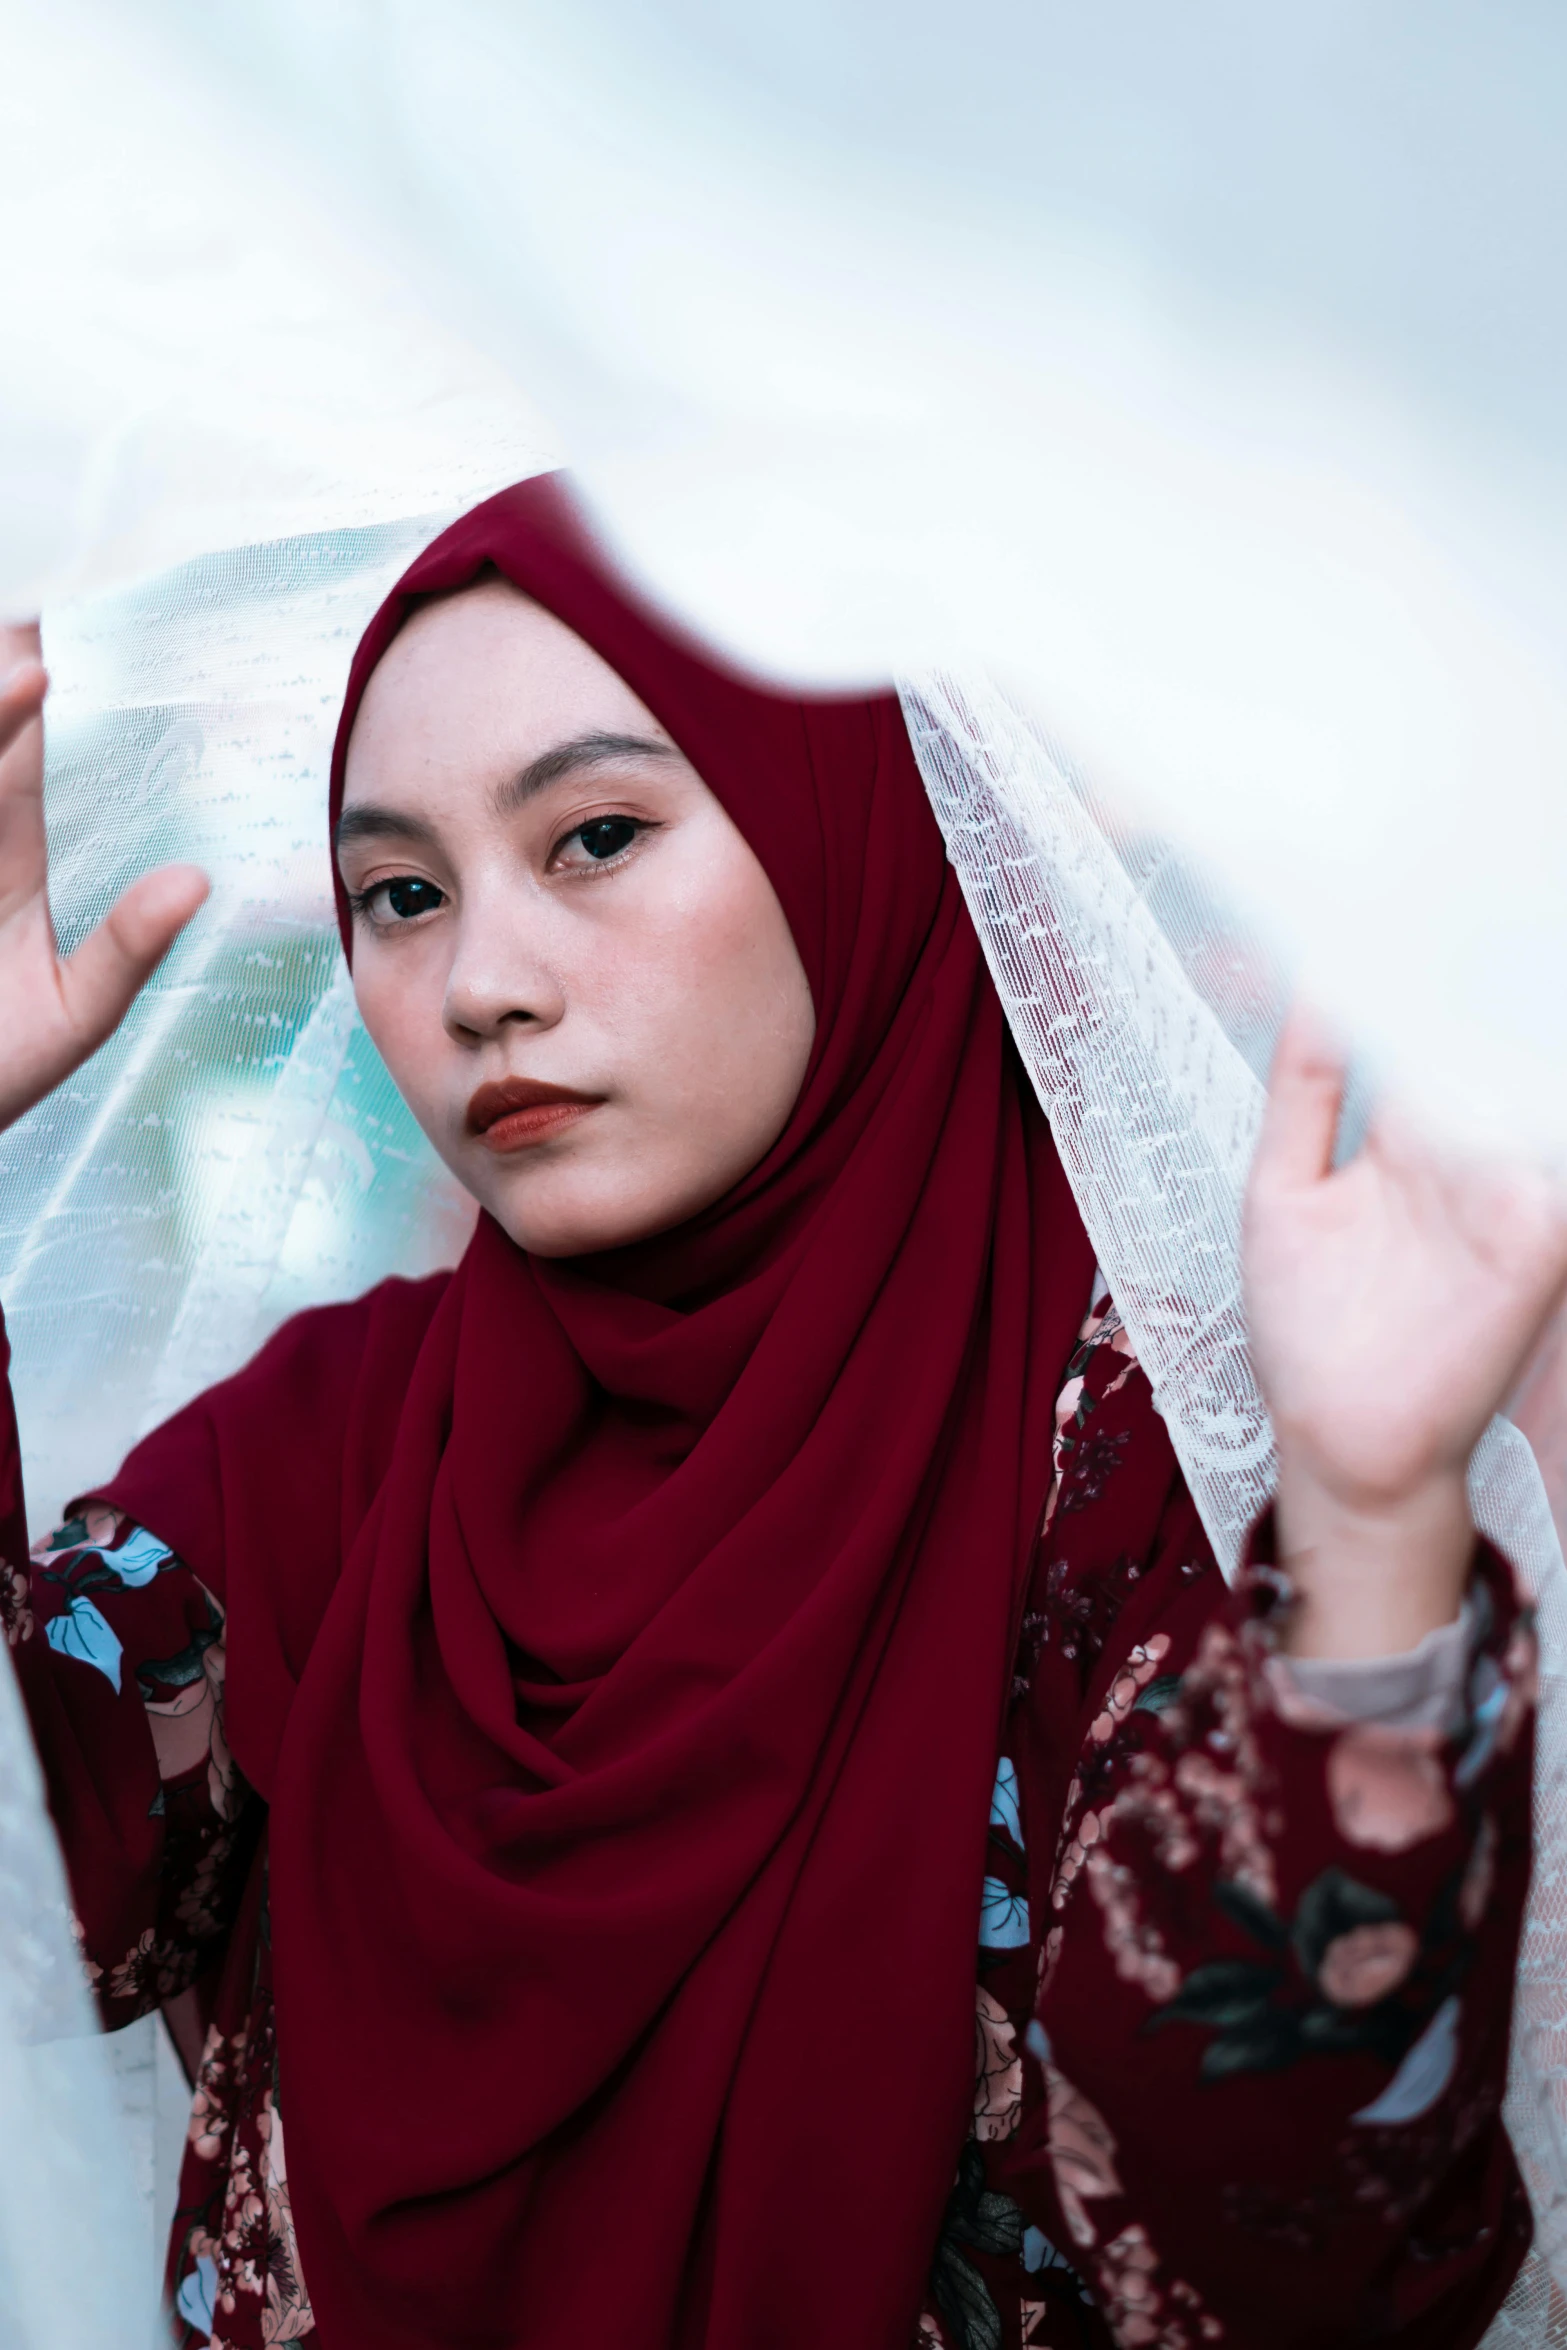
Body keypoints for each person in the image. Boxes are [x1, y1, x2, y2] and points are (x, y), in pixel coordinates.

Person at [1, 476, 1564, 2350]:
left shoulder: (1144, 1480)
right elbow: (42, 1881)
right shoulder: (330, 1447)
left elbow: (1281, 2260)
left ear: (858, 840)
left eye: (592, 835)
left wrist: (1375, 1527)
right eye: (399, 893)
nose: (481, 984)